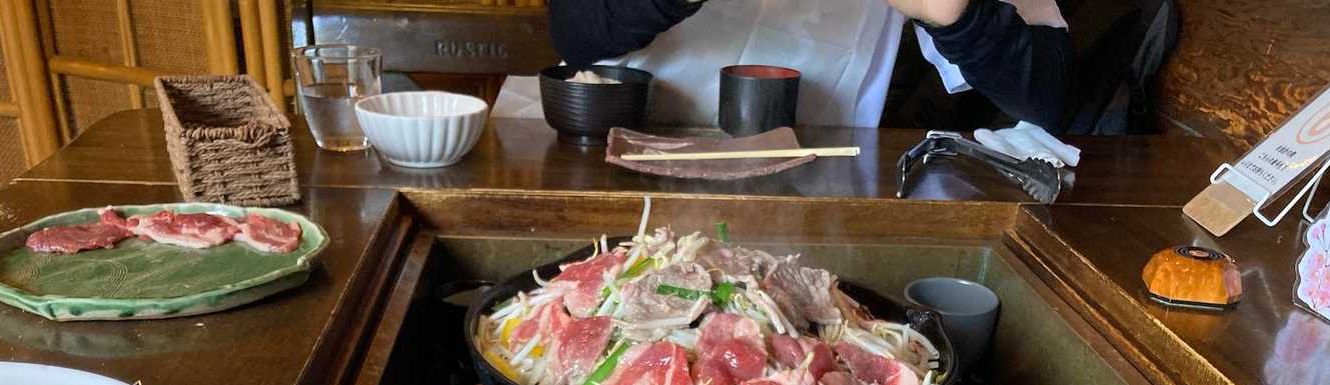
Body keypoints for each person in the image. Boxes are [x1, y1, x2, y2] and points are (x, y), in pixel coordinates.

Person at [497, 0, 1175, 135]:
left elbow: (1047, 95)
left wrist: (954, 14)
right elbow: (575, 34)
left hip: (817, 182)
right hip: (620, 147)